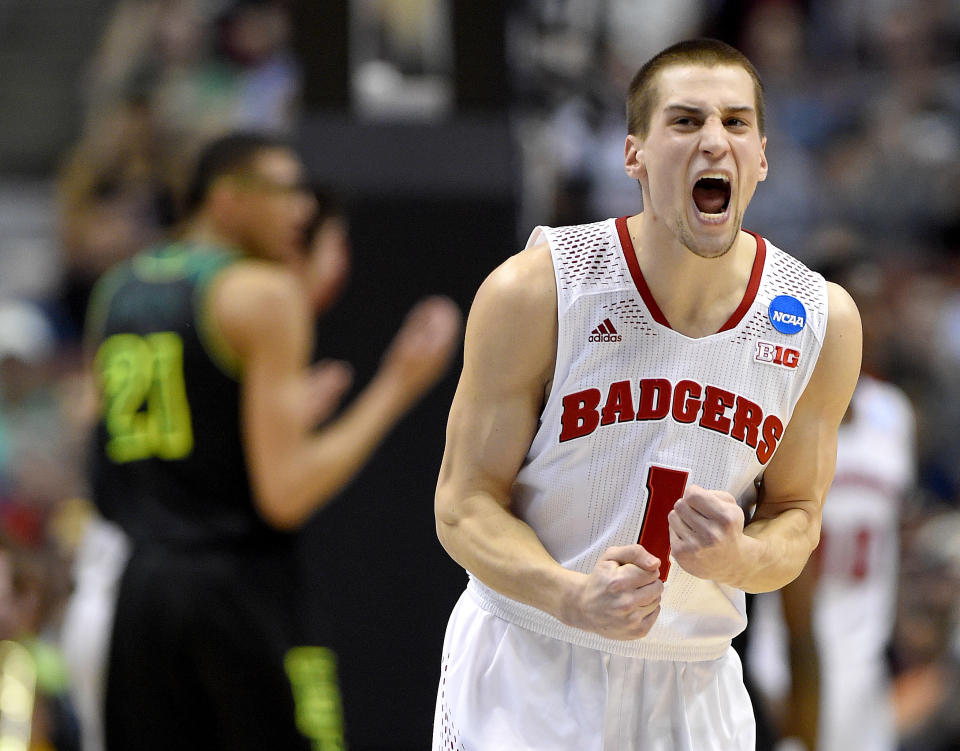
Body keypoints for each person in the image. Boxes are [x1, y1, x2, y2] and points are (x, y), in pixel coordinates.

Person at [432, 38, 861, 750]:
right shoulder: (539, 289)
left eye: (735, 122)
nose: (714, 142)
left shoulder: (821, 320)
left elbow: (796, 517)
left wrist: (737, 560)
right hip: (533, 658)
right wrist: (571, 595)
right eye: (686, 122)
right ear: (634, 153)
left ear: (762, 157)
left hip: (694, 683)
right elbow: (462, 503)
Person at [80, 131, 461, 751]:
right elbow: (285, 494)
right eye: (286, 191)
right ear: (227, 199)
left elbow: (119, 436)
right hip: (233, 590)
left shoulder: (116, 288)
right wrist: (398, 384)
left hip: (139, 590)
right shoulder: (263, 292)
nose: (303, 210)